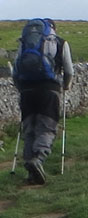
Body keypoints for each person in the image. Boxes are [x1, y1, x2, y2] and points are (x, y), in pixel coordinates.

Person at [12, 18, 73, 185]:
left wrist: (21, 88)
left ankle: (30, 170)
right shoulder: (60, 42)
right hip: (49, 90)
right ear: (53, 29)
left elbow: (16, 70)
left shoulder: (24, 42)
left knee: (29, 129)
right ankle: (38, 159)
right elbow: (69, 71)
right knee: (46, 127)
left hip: (26, 90)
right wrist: (65, 86)